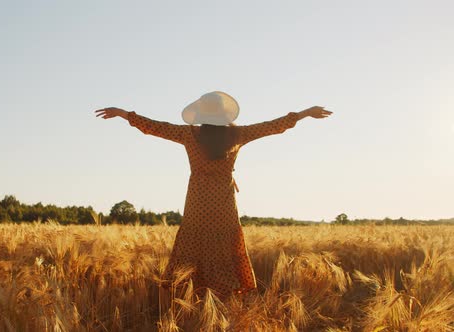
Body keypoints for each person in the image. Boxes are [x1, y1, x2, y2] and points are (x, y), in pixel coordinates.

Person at [95, 91, 332, 299]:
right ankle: (223, 299)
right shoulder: (238, 135)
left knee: (193, 246)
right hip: (224, 204)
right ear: (225, 115)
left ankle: (190, 296)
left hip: (197, 201)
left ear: (201, 115)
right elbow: (274, 126)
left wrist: (123, 113)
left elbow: (154, 127)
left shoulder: (189, 135)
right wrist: (306, 113)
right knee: (223, 249)